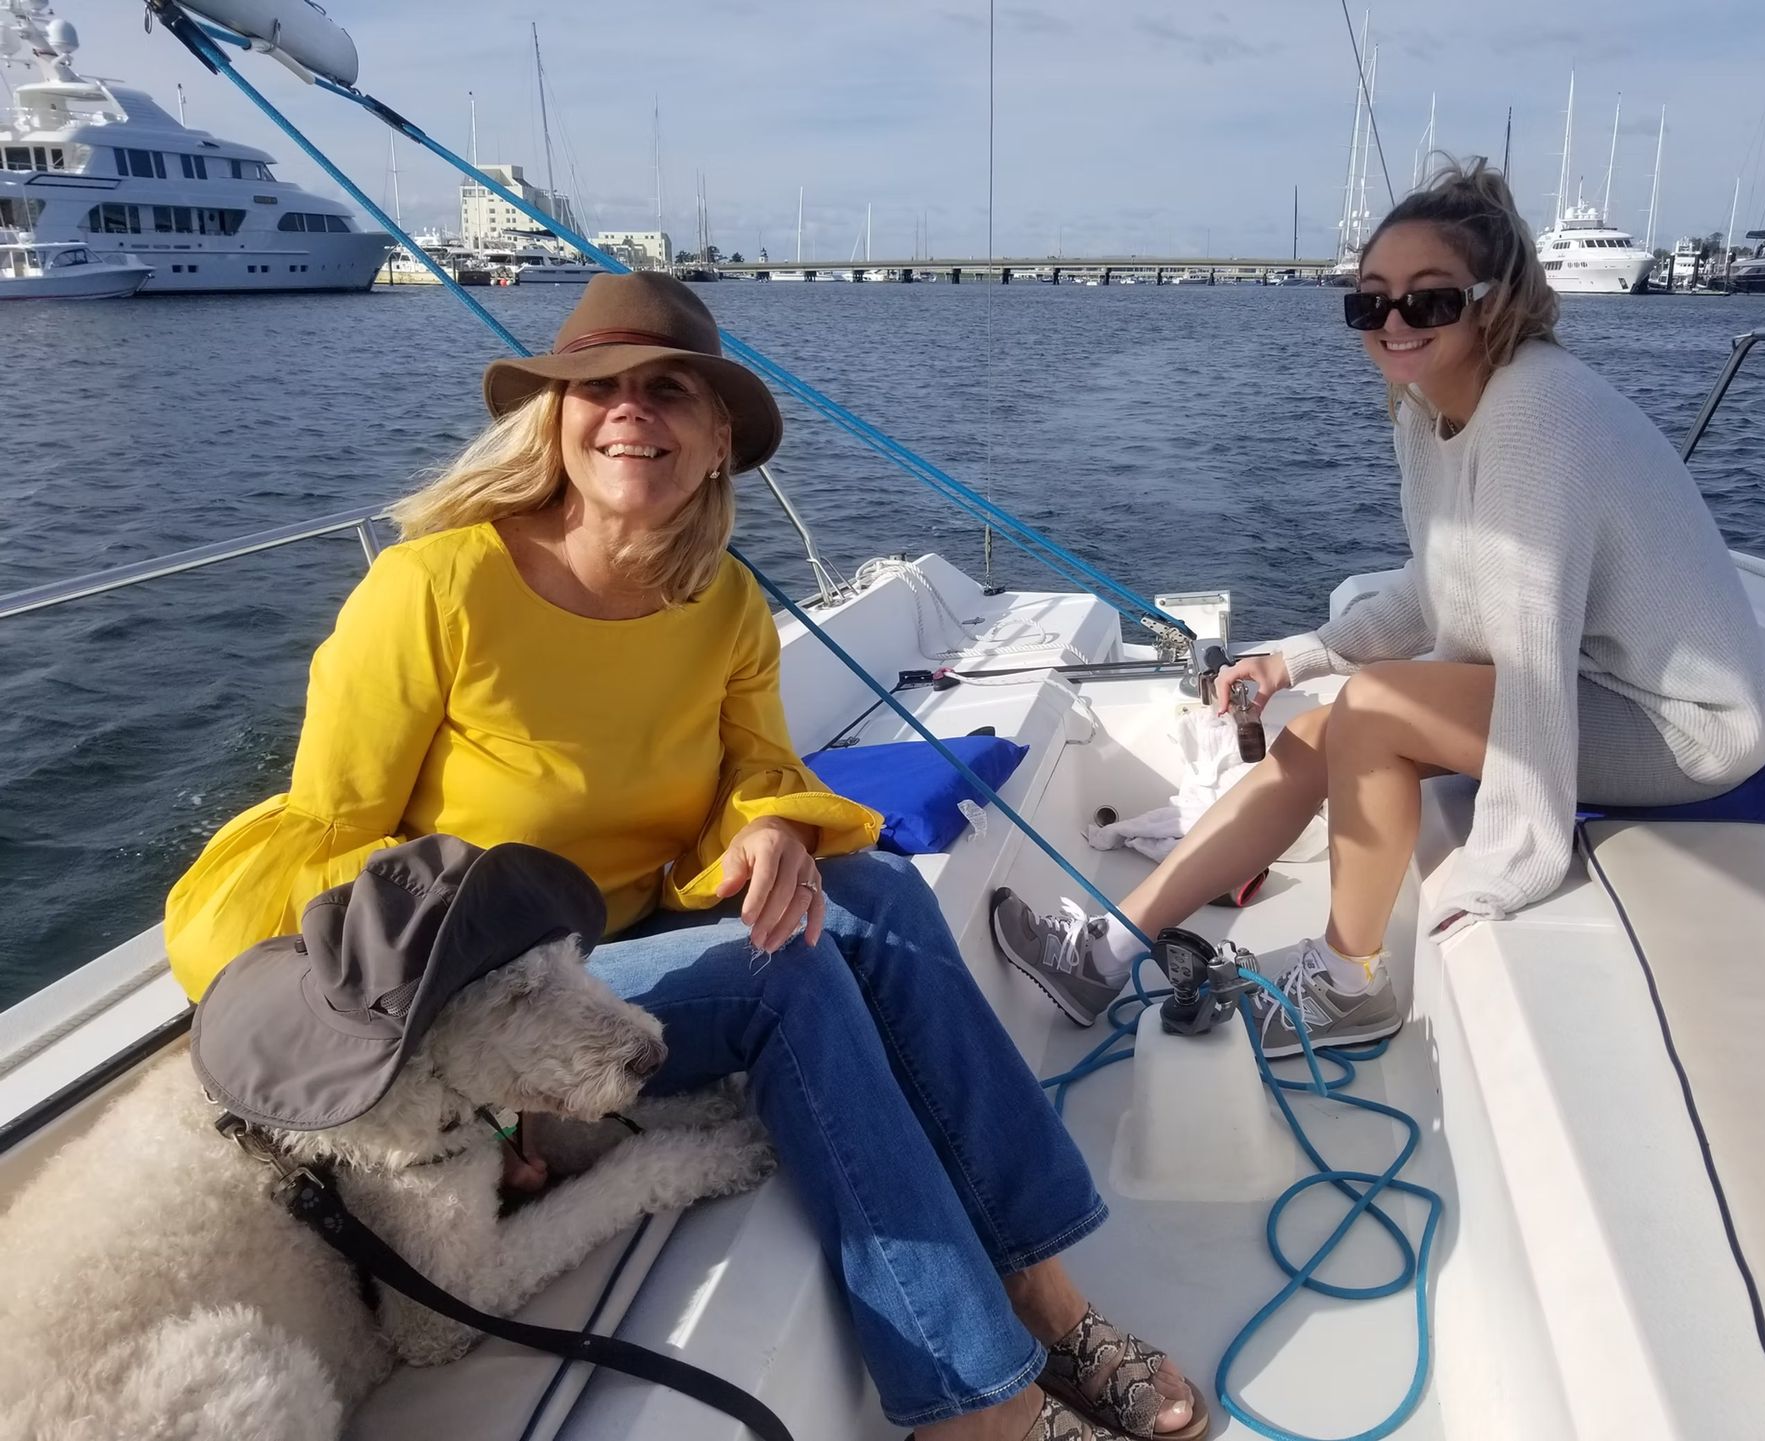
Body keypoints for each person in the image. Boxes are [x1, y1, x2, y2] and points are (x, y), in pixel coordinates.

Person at [164, 273, 1205, 1441]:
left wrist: (769, 825)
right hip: (487, 998)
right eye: (595, 386)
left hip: (635, 942)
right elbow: (337, 838)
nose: (628, 410)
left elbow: (755, 777)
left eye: (669, 389)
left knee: (870, 889)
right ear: (551, 422)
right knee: (788, 971)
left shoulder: (723, 606)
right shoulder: (433, 589)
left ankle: (1045, 1300)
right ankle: (975, 1408)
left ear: (717, 442)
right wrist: (471, 1068)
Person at [991, 159, 1765, 1057]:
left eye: (1430, 300)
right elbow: (1441, 584)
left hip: (1681, 723)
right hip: (1583, 675)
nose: (1394, 323)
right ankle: (1106, 948)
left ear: (1494, 300)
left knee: (1368, 712)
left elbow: (1528, 648)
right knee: (1314, 732)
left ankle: (1347, 982)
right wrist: (1294, 659)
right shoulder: (1425, 408)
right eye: (1370, 302)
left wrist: (1510, 859)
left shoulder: (1537, 414)